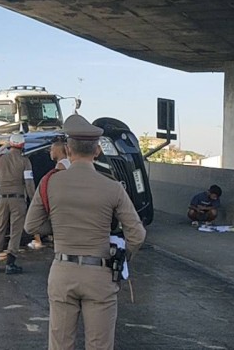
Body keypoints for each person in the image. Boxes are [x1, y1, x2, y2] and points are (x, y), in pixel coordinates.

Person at [24, 114, 146, 350]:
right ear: (97, 151)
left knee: (60, 344)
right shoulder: (113, 188)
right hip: (100, 274)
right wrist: (123, 257)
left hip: (63, 271)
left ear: (68, 150)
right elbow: (137, 235)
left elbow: (31, 226)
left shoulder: (50, 183)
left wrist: (58, 227)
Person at [0, 132, 35, 274]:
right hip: (18, 200)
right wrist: (34, 201)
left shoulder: (0, 159)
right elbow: (29, 183)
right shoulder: (25, 162)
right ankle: (10, 264)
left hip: (2, 199)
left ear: (10, 144)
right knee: (15, 231)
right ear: (22, 146)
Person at [29, 136, 70, 250]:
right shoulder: (68, 163)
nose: (50, 153)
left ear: (57, 150)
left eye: (52, 150)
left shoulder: (61, 165)